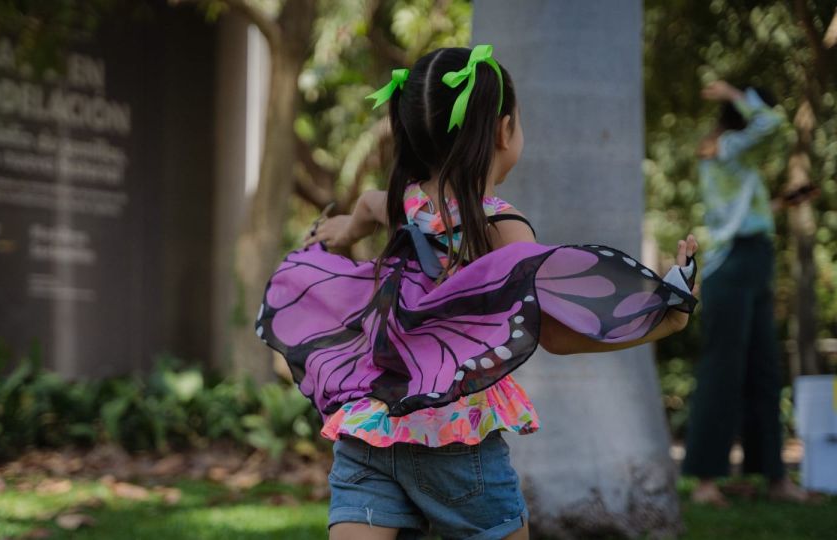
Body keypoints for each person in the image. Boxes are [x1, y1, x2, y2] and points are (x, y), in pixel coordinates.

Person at [257, 45, 699, 540]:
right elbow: (554, 333)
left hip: (369, 427)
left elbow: (366, 204)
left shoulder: (407, 202)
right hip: (453, 436)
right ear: (503, 130)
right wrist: (668, 319)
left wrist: (341, 232)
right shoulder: (501, 228)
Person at [683, 80, 812, 506]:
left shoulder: (735, 157)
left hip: (755, 260)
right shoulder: (724, 147)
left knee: (764, 371)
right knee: (723, 370)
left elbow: (742, 212)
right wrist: (733, 93)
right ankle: (704, 483)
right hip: (733, 265)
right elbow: (772, 123)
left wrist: (784, 203)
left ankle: (774, 478)